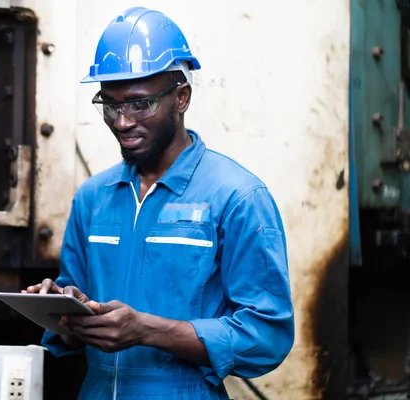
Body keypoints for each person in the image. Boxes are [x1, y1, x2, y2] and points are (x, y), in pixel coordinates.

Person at [23, 6, 295, 399]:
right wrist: (68, 308)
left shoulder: (237, 198)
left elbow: (266, 336)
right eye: (110, 105)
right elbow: (71, 325)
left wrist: (147, 329)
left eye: (139, 103)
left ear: (181, 97)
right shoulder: (93, 199)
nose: (122, 122)